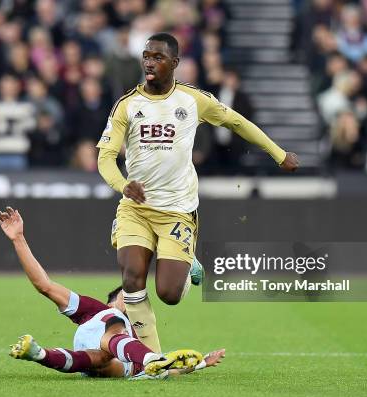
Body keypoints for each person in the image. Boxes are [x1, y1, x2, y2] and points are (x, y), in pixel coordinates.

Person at [96, 33, 299, 352]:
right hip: (135, 208)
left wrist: (278, 153)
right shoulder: (127, 105)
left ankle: (188, 259)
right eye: (146, 56)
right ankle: (151, 359)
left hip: (177, 210)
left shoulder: (192, 100)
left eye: (158, 57)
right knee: (133, 277)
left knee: (169, 294)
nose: (150, 62)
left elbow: (237, 122)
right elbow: (105, 158)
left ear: (175, 64)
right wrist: (124, 185)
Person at [0, 206, 224, 379]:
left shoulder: (134, 328)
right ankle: (149, 361)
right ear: (116, 298)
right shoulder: (95, 309)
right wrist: (18, 239)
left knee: (100, 360)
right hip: (121, 351)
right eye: (129, 293)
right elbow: (44, 285)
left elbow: (169, 368)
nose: (137, 296)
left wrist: (202, 363)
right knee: (112, 335)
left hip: (116, 363)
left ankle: (40, 354)